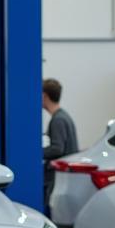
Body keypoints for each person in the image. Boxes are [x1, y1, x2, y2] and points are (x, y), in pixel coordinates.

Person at [42, 77, 79, 218]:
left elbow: (57, 148)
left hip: (56, 178)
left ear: (45, 96)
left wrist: (35, 152)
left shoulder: (58, 120)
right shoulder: (63, 117)